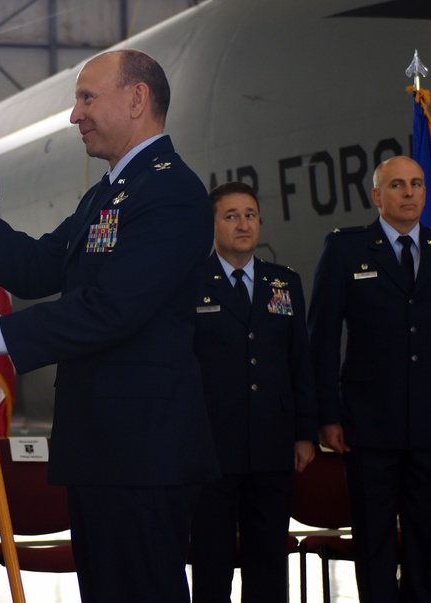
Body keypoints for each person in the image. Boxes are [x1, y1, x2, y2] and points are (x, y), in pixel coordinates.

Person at [0, 48, 218, 603]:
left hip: (143, 455)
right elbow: (42, 266)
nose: (74, 114)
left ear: (137, 99)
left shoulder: (171, 193)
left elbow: (117, 307)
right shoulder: (109, 192)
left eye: (88, 98)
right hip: (102, 449)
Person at [308, 155, 431, 603]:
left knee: (428, 542)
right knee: (374, 539)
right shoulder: (347, 250)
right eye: (398, 185)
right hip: (368, 426)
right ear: (376, 196)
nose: (409, 193)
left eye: (417, 184)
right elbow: (323, 337)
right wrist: (327, 414)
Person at [188, 181, 317, 603]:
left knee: (267, 565)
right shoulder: (191, 284)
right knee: (212, 562)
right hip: (211, 449)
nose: (243, 224)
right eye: (231, 216)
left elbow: (301, 362)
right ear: (213, 224)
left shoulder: (284, 283)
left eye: (250, 215)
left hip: (271, 445)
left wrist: (304, 433)